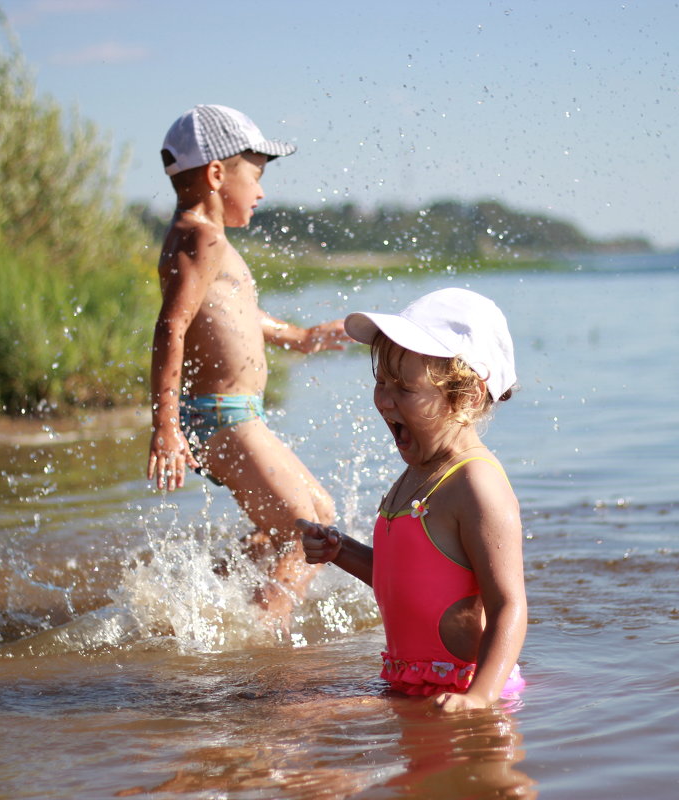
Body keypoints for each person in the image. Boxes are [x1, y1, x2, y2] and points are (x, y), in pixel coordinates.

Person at [146, 104, 349, 623]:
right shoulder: (203, 237)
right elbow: (171, 326)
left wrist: (299, 336)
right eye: (255, 176)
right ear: (217, 174)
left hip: (233, 412)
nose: (261, 192)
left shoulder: (202, 238)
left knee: (318, 516)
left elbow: (235, 311)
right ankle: (264, 635)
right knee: (311, 536)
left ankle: (196, 605)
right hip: (220, 414)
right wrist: (165, 427)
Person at [299, 287, 527, 711]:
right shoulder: (419, 472)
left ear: (468, 396)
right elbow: (404, 580)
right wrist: (340, 550)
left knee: (291, 717)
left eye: (404, 388)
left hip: (466, 694)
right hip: (411, 685)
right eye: (380, 382)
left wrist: (480, 698)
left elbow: (508, 605)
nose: (384, 400)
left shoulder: (475, 483)